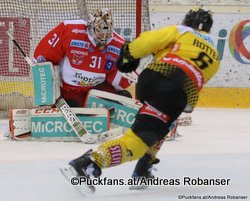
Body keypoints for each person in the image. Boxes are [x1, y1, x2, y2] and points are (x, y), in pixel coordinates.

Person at [63, 6, 220, 191]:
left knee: (162, 124)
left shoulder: (182, 31)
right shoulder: (215, 57)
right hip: (173, 92)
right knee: (143, 137)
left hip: (150, 79)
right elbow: (191, 95)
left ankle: (143, 168)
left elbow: (149, 40)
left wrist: (130, 53)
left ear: (188, 20)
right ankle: (87, 164)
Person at [33, 8, 132, 107]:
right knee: (72, 107)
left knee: (124, 99)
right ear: (90, 26)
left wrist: (129, 74)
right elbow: (43, 59)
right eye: (99, 35)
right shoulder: (70, 30)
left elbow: (119, 80)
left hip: (97, 91)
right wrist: (49, 90)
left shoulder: (120, 45)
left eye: (106, 36)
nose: (102, 41)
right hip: (70, 91)